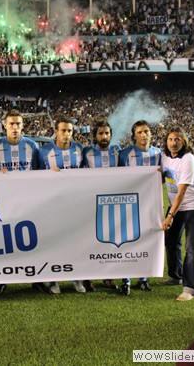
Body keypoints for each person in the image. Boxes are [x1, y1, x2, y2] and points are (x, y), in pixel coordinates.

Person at [0, 109, 39, 295]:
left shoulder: (32, 146)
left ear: (23, 125)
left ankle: (35, 279)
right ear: (5, 125)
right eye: (11, 124)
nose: (15, 127)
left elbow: (39, 172)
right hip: (4, 202)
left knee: (32, 240)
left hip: (28, 201)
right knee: (5, 241)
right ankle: (3, 279)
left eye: (18, 124)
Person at [38, 118, 86, 294]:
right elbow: (34, 175)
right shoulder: (43, 151)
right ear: (56, 131)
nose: (66, 134)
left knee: (75, 241)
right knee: (53, 241)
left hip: (75, 203)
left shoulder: (80, 149)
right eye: (63, 131)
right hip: (51, 204)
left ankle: (77, 279)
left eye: (69, 131)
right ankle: (52, 280)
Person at [160, 126, 194, 301]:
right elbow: (160, 179)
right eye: (170, 139)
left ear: (183, 141)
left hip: (193, 207)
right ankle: (175, 276)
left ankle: (190, 288)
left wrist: (170, 216)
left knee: (191, 248)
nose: (173, 143)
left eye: (177, 139)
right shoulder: (164, 157)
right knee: (171, 242)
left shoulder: (188, 160)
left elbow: (181, 193)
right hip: (176, 206)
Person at [118, 120, 161, 295]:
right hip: (129, 204)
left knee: (148, 241)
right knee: (128, 241)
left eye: (146, 131)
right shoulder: (124, 154)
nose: (144, 135)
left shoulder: (158, 153)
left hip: (151, 203)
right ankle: (125, 280)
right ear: (134, 135)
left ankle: (143, 279)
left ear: (151, 134)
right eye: (140, 132)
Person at [81, 120, 122, 291]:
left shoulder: (117, 151)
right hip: (90, 201)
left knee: (109, 240)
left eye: (107, 133)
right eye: (100, 134)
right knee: (89, 239)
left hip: (111, 202)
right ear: (95, 136)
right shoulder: (86, 152)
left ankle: (108, 276)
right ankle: (87, 276)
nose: (104, 137)